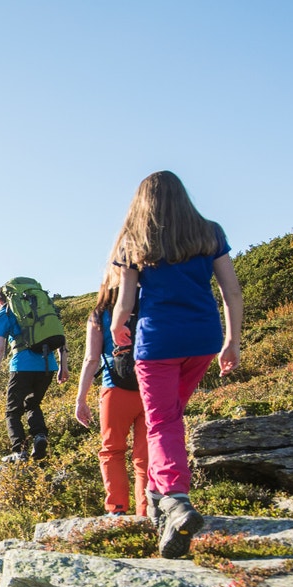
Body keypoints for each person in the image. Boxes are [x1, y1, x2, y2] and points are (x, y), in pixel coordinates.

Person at [106, 171, 243, 558]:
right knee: (169, 416)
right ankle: (157, 506)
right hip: (202, 339)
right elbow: (230, 290)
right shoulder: (209, 232)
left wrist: (118, 327)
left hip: (157, 342)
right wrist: (232, 341)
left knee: (162, 421)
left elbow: (125, 302)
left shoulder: (135, 241)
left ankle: (176, 499)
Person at [73, 267, 147, 516]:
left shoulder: (99, 314)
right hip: (153, 387)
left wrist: (81, 398)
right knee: (145, 456)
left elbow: (91, 359)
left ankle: (116, 509)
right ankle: (146, 512)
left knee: (112, 450)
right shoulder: (151, 304)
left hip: (115, 388)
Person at [0, 285, 68, 461]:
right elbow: (60, 338)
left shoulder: (4, 313)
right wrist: (64, 366)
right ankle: (39, 436)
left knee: (12, 411)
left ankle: (19, 451)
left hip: (22, 366)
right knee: (32, 404)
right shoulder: (41, 311)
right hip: (48, 365)